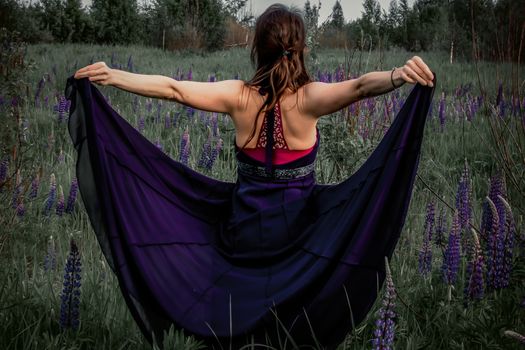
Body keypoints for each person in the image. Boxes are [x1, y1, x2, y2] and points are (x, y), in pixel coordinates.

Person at [69, 3, 435, 349]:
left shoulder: (237, 96)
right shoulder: (309, 100)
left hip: (243, 231)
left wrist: (114, 76)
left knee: (229, 293)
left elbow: (175, 89)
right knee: (297, 302)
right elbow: (358, 86)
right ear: (300, 48)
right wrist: (398, 75)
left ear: (257, 49)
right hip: (297, 235)